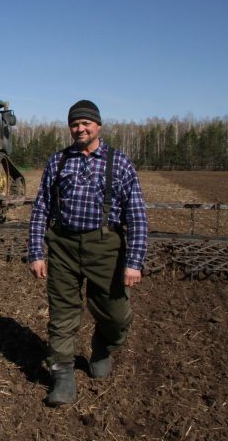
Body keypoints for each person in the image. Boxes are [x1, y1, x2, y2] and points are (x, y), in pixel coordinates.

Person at [27, 99, 148, 406]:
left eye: (85, 123)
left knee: (117, 315)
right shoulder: (58, 161)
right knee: (63, 314)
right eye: (74, 124)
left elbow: (136, 215)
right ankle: (63, 374)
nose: (80, 128)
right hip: (63, 246)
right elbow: (42, 207)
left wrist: (134, 262)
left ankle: (103, 347)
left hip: (105, 247)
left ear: (98, 126)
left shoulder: (118, 162)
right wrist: (35, 252)